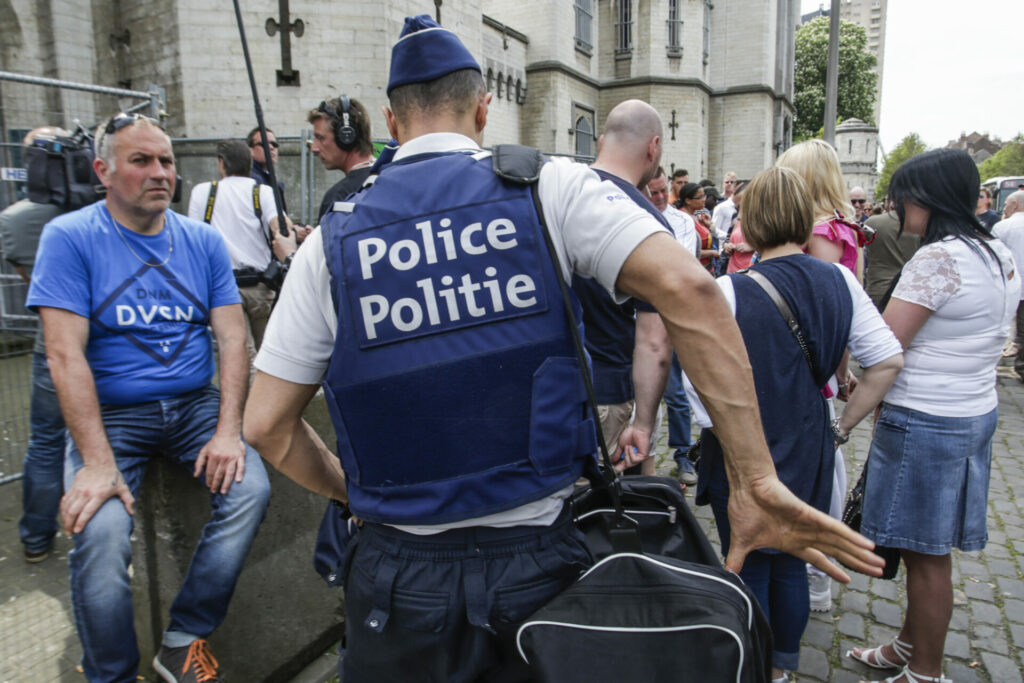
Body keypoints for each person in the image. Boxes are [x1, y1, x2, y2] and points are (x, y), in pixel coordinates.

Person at [242, 15, 882, 682]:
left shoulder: (331, 243)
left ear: (391, 121)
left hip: (398, 583)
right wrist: (755, 478)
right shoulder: (551, 187)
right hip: (539, 570)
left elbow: (264, 424)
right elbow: (691, 293)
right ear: (485, 107)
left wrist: (351, 490)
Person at [28, 113, 271, 682]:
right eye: (141, 161)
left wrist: (228, 430)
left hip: (193, 406)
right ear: (103, 171)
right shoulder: (70, 238)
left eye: (165, 160)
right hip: (112, 415)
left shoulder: (203, 240)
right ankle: (111, 673)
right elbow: (65, 356)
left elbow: (234, 336)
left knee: (250, 487)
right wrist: (95, 461)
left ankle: (184, 637)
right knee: (101, 530)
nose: (160, 172)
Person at [690, 166, 903, 683]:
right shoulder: (841, 280)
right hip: (811, 442)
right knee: (792, 560)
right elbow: (888, 361)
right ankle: (782, 666)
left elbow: (699, 392)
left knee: (751, 560)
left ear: (749, 222)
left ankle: (757, 665)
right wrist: (841, 428)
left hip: (744, 450)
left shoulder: (728, 291)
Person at [848, 149, 1018, 683]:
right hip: (971, 412)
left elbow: (885, 344)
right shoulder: (995, 253)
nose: (896, 205)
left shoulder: (938, 259)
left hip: (927, 419)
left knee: (924, 557)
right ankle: (908, 643)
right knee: (924, 546)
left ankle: (925, 671)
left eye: (904, 195)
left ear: (930, 198)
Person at [777, 138, 869, 611]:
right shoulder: (842, 229)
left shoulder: (821, 233)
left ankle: (814, 578)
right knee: (821, 471)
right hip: (821, 369)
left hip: (804, 371)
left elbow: (820, 309)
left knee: (816, 474)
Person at [575, 106, 673, 478]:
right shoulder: (645, 220)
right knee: (610, 513)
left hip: (550, 390)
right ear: (654, 148)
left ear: (601, 142)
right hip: (610, 392)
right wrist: (644, 423)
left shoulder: (553, 198)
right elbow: (654, 342)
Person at [0, 126, 67, 562]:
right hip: (96, 346)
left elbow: (35, 286)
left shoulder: (14, 219)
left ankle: (37, 540)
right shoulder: (105, 208)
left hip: (53, 343)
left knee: (46, 440)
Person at [188, 139, 293, 377]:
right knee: (270, 356)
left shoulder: (203, 192)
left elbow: (195, 241)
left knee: (244, 357)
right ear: (249, 163)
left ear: (221, 164)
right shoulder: (263, 192)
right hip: (261, 287)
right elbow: (281, 226)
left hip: (224, 291)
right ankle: (268, 411)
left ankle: (259, 413)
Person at [647, 168, 697, 484]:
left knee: (677, 392)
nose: (662, 197)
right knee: (645, 392)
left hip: (675, 315)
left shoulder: (682, 222)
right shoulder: (632, 216)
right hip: (643, 317)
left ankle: (683, 455)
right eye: (654, 193)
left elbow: (680, 267)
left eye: (665, 190)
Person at [308, 95, 376, 223]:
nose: (314, 148)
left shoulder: (338, 199)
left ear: (346, 137)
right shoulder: (394, 179)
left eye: (320, 138)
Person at [864, 197, 921, 310]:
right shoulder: (919, 226)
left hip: (877, 290)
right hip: (907, 292)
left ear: (890, 203)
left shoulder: (873, 223)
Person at [993, 190, 1024, 380]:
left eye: (1005, 205)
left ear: (1014, 206)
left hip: (1009, 284)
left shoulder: (1003, 226)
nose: (1003, 208)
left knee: (1004, 325)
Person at [247, 126, 287, 213]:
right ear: (250, 150)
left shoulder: (269, 178)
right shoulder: (252, 180)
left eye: (274, 144)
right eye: (264, 144)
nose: (271, 148)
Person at [711, 171, 738, 239]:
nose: (729, 184)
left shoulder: (739, 205)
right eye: (727, 182)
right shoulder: (720, 203)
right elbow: (715, 228)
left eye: (732, 182)